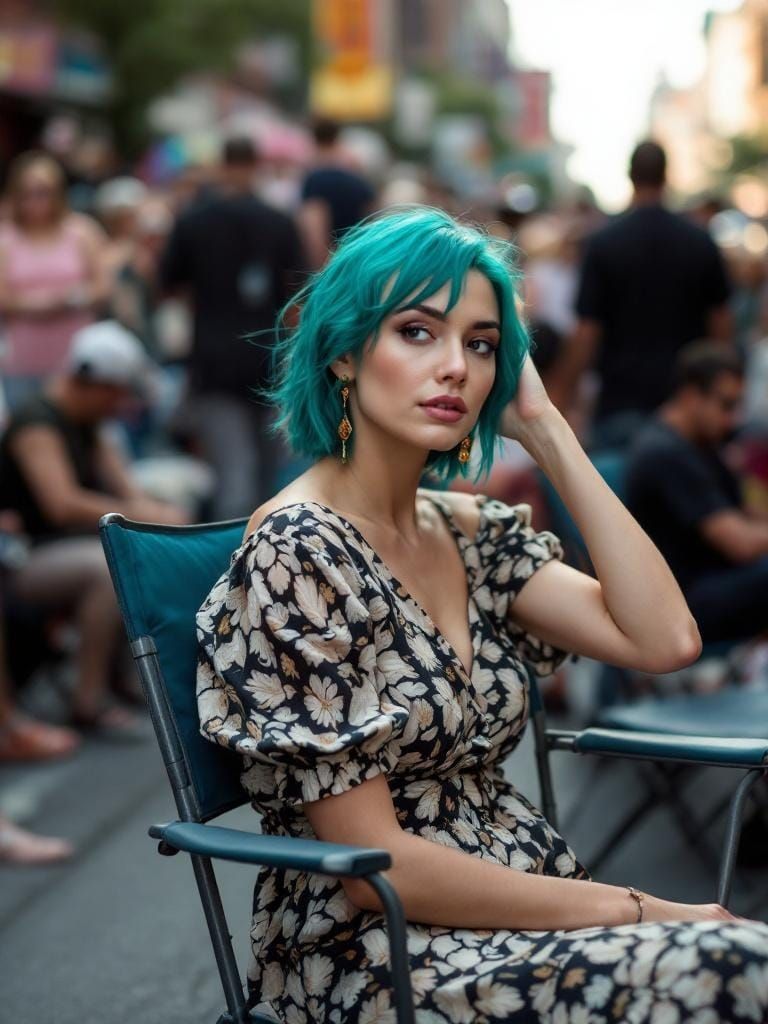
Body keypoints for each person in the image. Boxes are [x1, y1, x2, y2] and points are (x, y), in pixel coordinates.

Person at [195, 208, 768, 1023]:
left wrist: (544, 426)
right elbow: (372, 867)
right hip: (379, 948)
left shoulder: (465, 529)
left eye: (481, 343)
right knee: (736, 969)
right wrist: (639, 909)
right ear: (346, 354)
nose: (456, 367)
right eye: (418, 332)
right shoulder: (299, 548)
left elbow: (664, 638)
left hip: (530, 911)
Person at [0, 320, 187, 731]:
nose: (121, 405)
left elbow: (126, 489)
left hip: (58, 546)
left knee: (140, 547)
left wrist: (158, 514)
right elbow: (62, 504)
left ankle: (125, 675)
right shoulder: (38, 423)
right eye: (118, 394)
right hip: (23, 555)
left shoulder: (90, 421)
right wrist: (137, 512)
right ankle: (88, 698)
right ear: (98, 384)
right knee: (104, 572)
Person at [159, 136, 306, 519]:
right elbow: (299, 296)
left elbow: (167, 283)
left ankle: (232, 567)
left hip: (213, 357)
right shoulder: (280, 221)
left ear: (222, 164)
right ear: (257, 165)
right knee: (267, 475)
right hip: (269, 358)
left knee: (232, 476)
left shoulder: (193, 220)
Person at [554, 140, 733, 449]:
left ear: (630, 176)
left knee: (613, 495)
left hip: (620, 405)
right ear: (666, 177)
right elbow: (721, 326)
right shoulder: (700, 241)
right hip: (685, 406)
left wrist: (562, 398)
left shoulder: (603, 243)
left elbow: (586, 332)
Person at [625, 341, 768, 645]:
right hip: (680, 600)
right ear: (691, 396)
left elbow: (749, 514)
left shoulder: (703, 441)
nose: (733, 418)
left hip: (715, 578)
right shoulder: (665, 453)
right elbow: (739, 543)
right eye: (726, 405)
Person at [0, 151, 111, 412]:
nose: (36, 201)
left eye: (43, 191)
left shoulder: (82, 232)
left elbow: (103, 286)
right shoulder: (5, 240)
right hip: (23, 361)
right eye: (28, 193)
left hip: (76, 362)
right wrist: (39, 304)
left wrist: (72, 298)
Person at [299, 117, 376, 269]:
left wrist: (322, 270)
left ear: (313, 139)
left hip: (332, 264)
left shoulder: (315, 180)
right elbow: (372, 216)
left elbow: (314, 227)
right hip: (357, 259)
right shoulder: (357, 177)